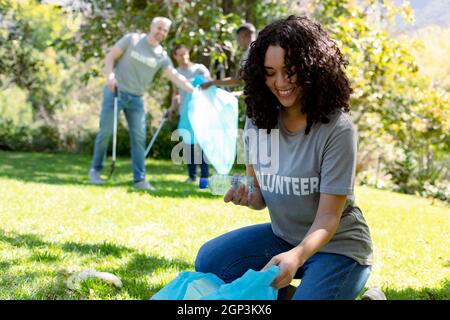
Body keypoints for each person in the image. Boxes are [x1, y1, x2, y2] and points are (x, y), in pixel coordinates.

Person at [194, 16, 373, 300]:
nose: (280, 82)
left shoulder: (337, 130)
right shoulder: (258, 117)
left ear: (313, 68)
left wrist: (297, 255)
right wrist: (247, 193)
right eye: (270, 72)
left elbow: (328, 217)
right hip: (283, 237)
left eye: (290, 71)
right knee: (211, 262)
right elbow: (259, 194)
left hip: (338, 247)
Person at [88, 17, 194, 190]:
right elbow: (110, 57)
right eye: (159, 28)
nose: (161, 32)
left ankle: (140, 180)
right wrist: (109, 76)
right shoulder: (132, 39)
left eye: (165, 30)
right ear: (151, 26)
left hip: (136, 99)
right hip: (116, 91)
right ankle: (95, 170)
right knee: (105, 131)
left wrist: (193, 90)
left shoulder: (161, 55)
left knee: (139, 139)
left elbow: (176, 76)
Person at [169, 44, 211, 183]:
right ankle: (191, 176)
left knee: (202, 145)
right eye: (180, 55)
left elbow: (209, 83)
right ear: (175, 57)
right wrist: (172, 108)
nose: (184, 57)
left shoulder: (199, 69)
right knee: (188, 145)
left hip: (201, 112)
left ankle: (205, 176)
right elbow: (176, 94)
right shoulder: (176, 72)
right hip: (185, 113)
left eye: (186, 53)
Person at [200, 22, 256, 90]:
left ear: (243, 36)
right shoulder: (262, 48)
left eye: (238, 38)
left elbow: (238, 80)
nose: (238, 42)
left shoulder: (249, 53)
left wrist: (211, 83)